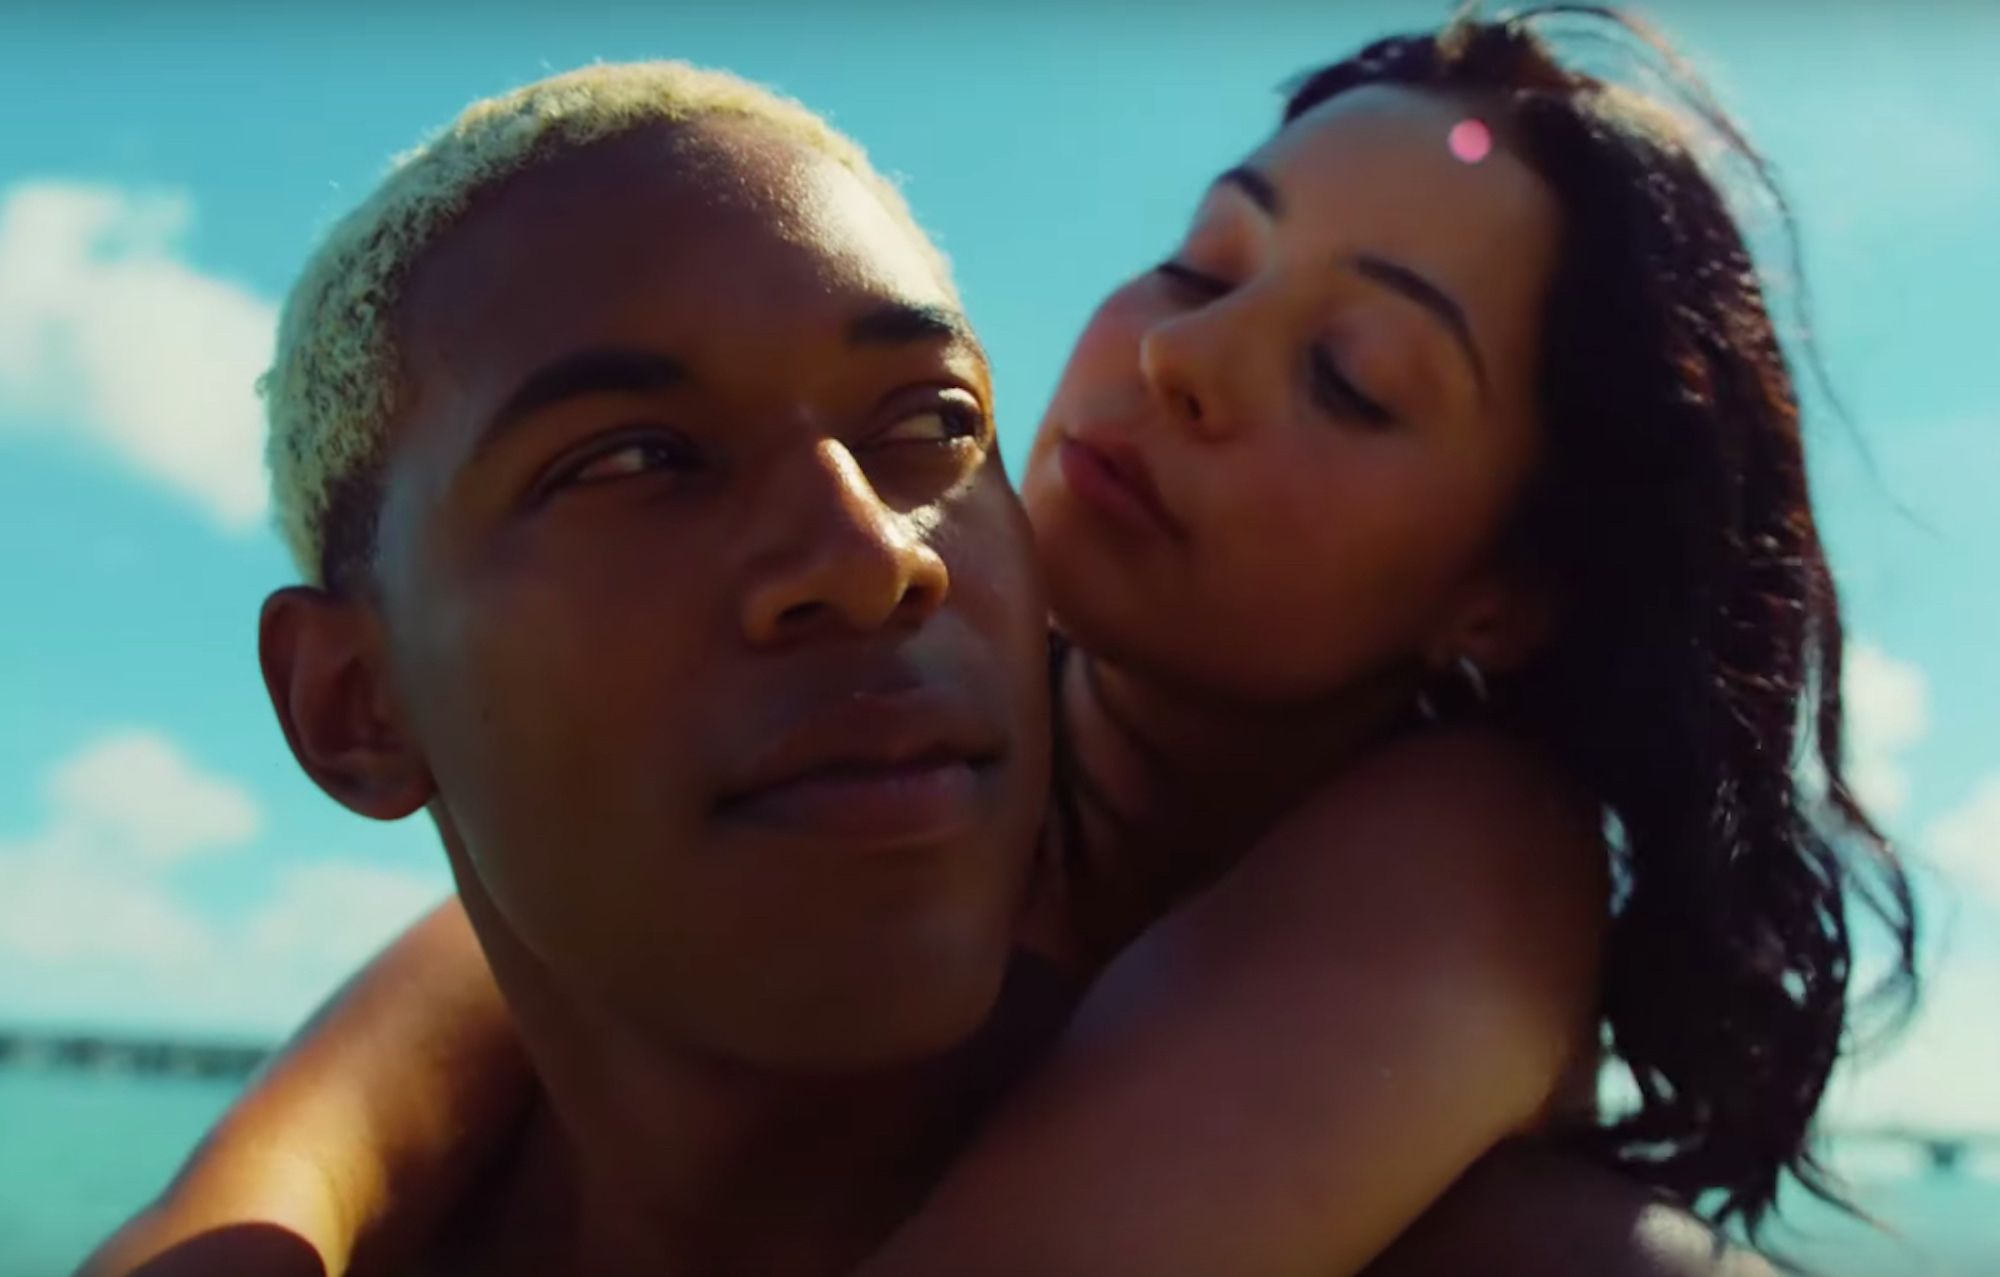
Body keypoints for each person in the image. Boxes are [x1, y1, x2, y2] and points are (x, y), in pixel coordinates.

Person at [85, 8, 1913, 1276]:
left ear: (1504, 593)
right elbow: (406, 1057)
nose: (1183, 357)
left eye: (1353, 378)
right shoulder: (906, 723)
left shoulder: (1469, 855)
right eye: (1204, 264)